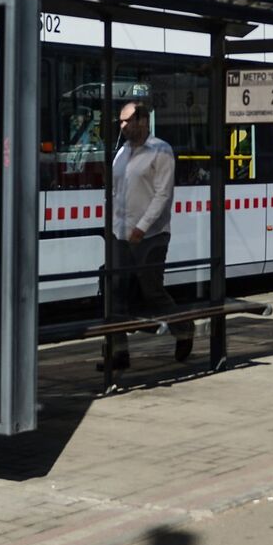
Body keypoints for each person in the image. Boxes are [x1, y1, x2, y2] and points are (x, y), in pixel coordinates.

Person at [102, 99, 191, 371]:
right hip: (120, 234)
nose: (123, 126)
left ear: (143, 122)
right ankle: (119, 353)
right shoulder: (121, 152)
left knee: (152, 291)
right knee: (114, 291)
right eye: (121, 121)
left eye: (128, 121)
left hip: (151, 235)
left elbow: (163, 194)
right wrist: (111, 226)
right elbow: (116, 191)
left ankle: (184, 329)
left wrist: (142, 227)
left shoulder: (160, 151)